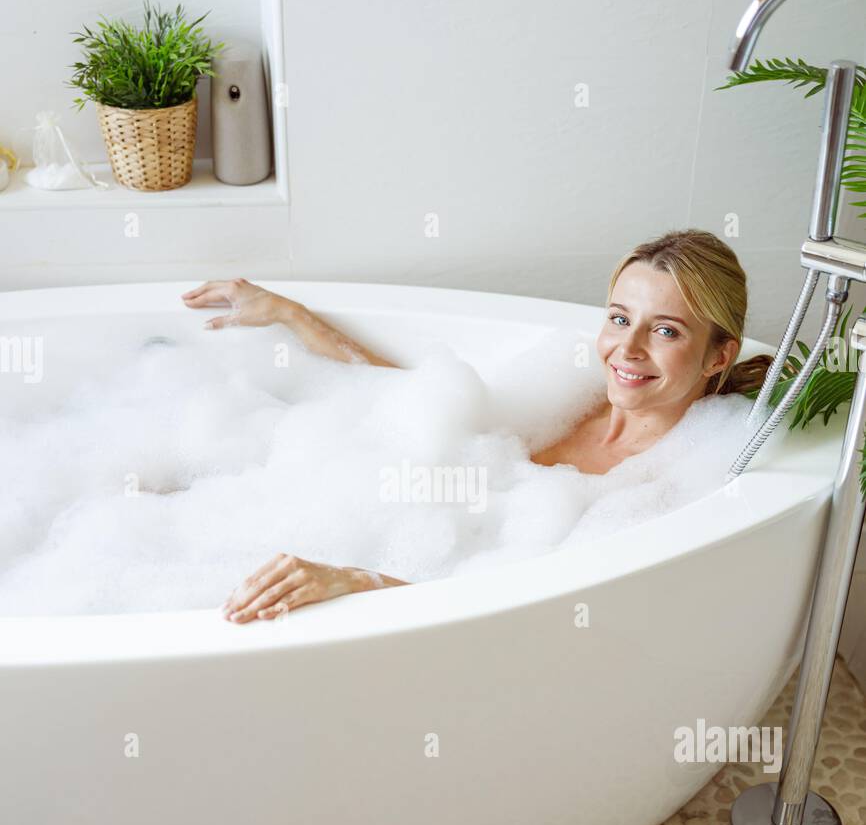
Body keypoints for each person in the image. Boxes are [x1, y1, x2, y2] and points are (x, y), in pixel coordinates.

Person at [181, 229, 772, 624]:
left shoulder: (665, 488)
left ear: (719, 355)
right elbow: (412, 394)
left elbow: (513, 619)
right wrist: (291, 315)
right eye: (620, 319)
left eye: (666, 330)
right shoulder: (567, 394)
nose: (628, 348)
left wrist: (353, 581)